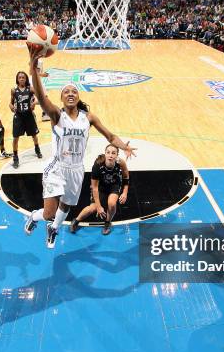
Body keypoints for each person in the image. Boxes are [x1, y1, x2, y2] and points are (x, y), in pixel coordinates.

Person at [24, 47, 136, 248]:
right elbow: (41, 98)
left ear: (78, 96)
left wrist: (124, 147)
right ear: (61, 97)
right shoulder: (57, 115)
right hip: (57, 167)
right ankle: (35, 216)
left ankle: (54, 229)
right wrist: (33, 69)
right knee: (49, 212)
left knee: (66, 206)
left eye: (74, 91)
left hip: (76, 169)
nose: (70, 93)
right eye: (66, 91)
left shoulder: (88, 118)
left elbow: (110, 136)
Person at [70, 144, 129, 235]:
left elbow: (126, 177)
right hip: (100, 187)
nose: (110, 155)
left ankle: (107, 223)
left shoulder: (121, 163)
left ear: (117, 155)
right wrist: (98, 206)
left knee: (112, 204)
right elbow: (94, 187)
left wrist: (125, 193)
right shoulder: (97, 166)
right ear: (105, 153)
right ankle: (76, 220)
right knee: (92, 209)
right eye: (108, 152)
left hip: (114, 185)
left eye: (113, 153)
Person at [10, 71, 42, 168]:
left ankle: (37, 149)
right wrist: (11, 107)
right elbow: (11, 103)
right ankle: (15, 156)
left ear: (26, 79)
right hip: (18, 116)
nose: (21, 79)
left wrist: (34, 103)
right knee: (15, 138)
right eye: (20, 77)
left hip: (29, 115)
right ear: (17, 79)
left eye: (23, 77)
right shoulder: (13, 90)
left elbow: (38, 98)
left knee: (34, 135)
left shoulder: (30, 89)